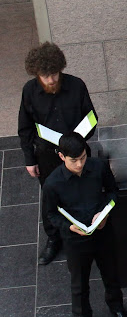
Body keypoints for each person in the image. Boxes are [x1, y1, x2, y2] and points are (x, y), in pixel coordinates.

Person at [42, 133, 127, 317]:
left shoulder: (98, 168)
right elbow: (51, 215)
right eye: (74, 160)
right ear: (61, 156)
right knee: (79, 284)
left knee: (111, 274)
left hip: (102, 232)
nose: (80, 164)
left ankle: (117, 308)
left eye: (83, 157)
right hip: (75, 240)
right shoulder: (52, 184)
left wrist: (104, 213)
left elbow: (112, 192)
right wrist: (70, 227)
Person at [18, 42, 96, 266]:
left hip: (76, 152)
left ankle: (88, 229)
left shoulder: (77, 85)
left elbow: (91, 117)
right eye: (45, 76)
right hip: (47, 155)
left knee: (84, 191)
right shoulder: (29, 91)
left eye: (54, 74)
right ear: (36, 74)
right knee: (51, 197)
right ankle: (54, 239)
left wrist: (77, 140)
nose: (51, 80)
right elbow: (25, 128)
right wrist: (29, 159)